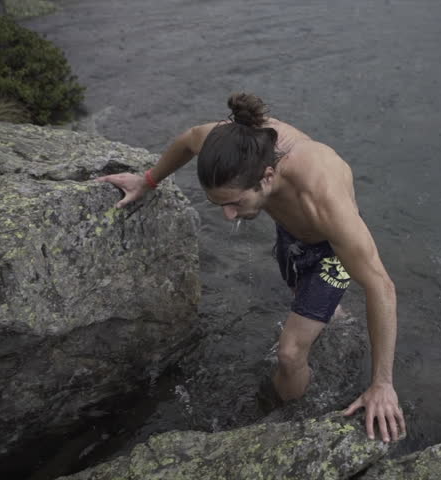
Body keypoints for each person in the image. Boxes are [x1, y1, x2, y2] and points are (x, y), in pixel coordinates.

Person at [96, 93, 406, 443]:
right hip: (292, 233)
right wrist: (148, 180)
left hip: (329, 250)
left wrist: (382, 384)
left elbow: (381, 285)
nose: (228, 216)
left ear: (268, 176)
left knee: (289, 353)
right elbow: (188, 138)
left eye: (234, 204)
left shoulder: (323, 197)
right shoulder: (232, 144)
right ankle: (331, 319)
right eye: (220, 205)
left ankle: (287, 427)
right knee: (308, 303)